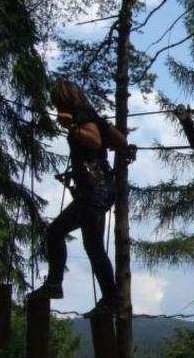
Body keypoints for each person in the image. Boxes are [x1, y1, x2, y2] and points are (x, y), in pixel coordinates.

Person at [32, 81, 128, 317]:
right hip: (100, 189)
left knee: (61, 234)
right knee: (87, 244)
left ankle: (108, 298)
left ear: (63, 101)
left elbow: (94, 141)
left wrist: (72, 127)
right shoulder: (93, 116)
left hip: (94, 191)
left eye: (57, 103)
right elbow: (120, 141)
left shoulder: (81, 117)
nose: (55, 108)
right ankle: (107, 297)